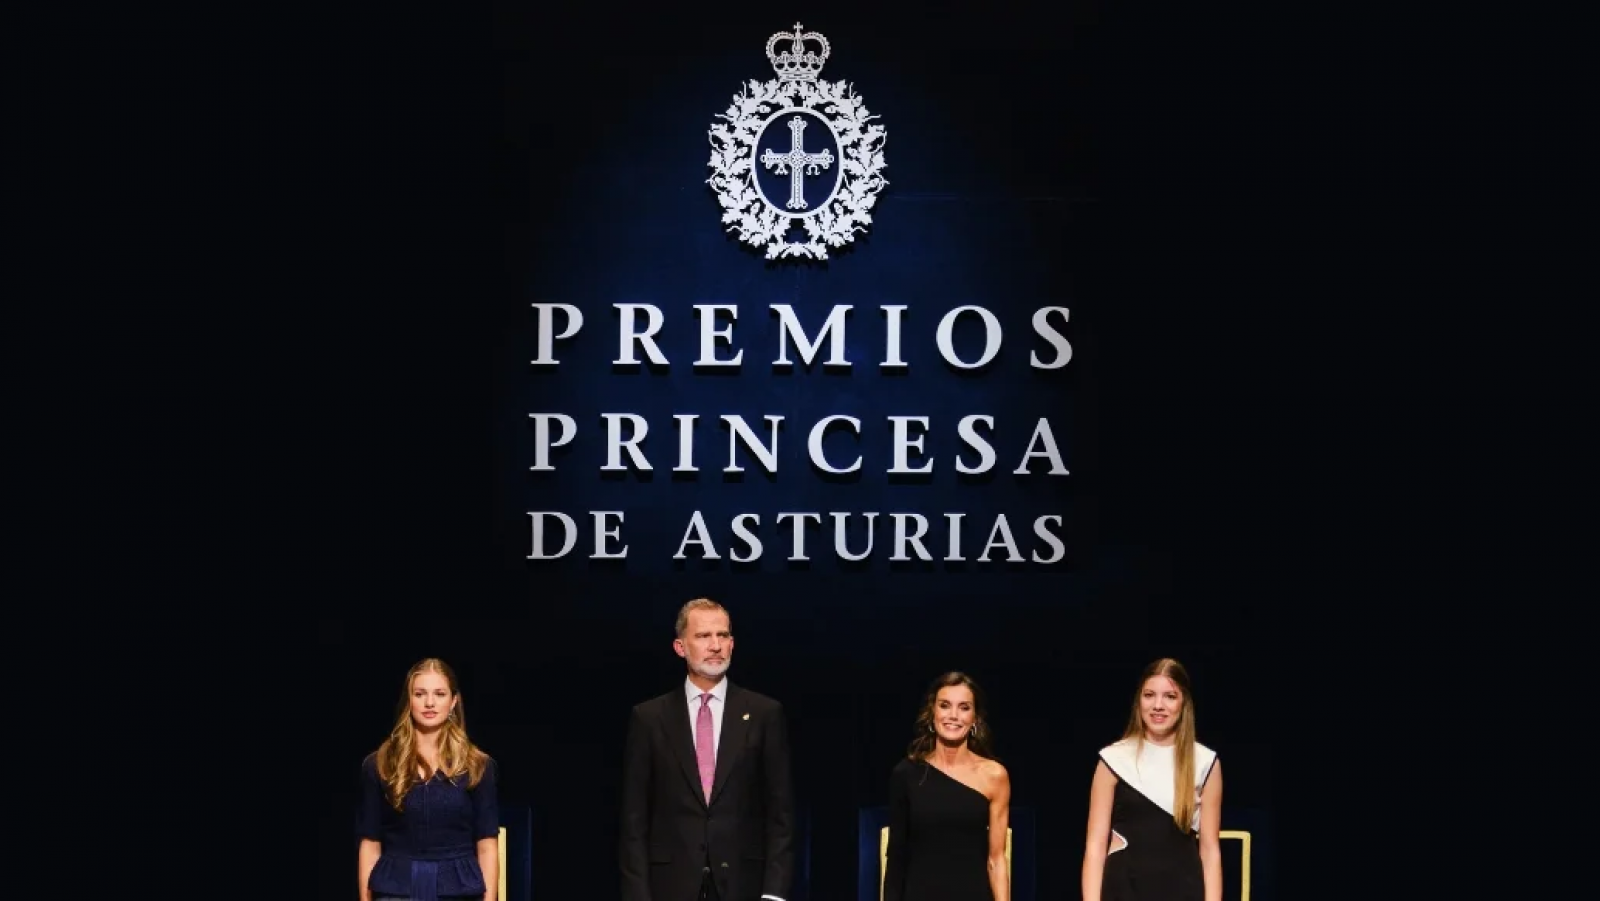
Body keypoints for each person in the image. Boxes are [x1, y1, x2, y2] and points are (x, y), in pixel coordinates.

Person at [619, 598, 796, 901]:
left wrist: (774, 894)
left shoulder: (764, 714)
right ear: (680, 647)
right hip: (669, 888)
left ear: (732, 644)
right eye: (703, 636)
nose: (715, 645)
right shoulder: (649, 718)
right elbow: (633, 821)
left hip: (745, 887)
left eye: (722, 635)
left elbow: (782, 814)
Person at [357, 658, 500, 901]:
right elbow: (370, 843)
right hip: (396, 890)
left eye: (440, 694)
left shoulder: (478, 766)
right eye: (420, 694)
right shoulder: (379, 764)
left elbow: (487, 844)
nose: (430, 703)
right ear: (409, 700)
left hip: (458, 891)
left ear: (453, 701)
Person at [1080, 658, 1223, 901]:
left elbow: (1210, 852)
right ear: (1139, 700)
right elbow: (1095, 847)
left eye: (1170, 696)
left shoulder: (1205, 763)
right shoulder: (1113, 760)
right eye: (1149, 695)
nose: (1158, 705)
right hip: (1123, 890)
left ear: (1183, 703)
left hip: (1183, 889)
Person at [883, 671, 1012, 901]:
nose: (953, 715)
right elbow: (896, 857)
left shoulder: (994, 776)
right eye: (945, 705)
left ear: (975, 718)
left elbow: (996, 860)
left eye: (964, 708)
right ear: (932, 712)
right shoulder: (906, 774)